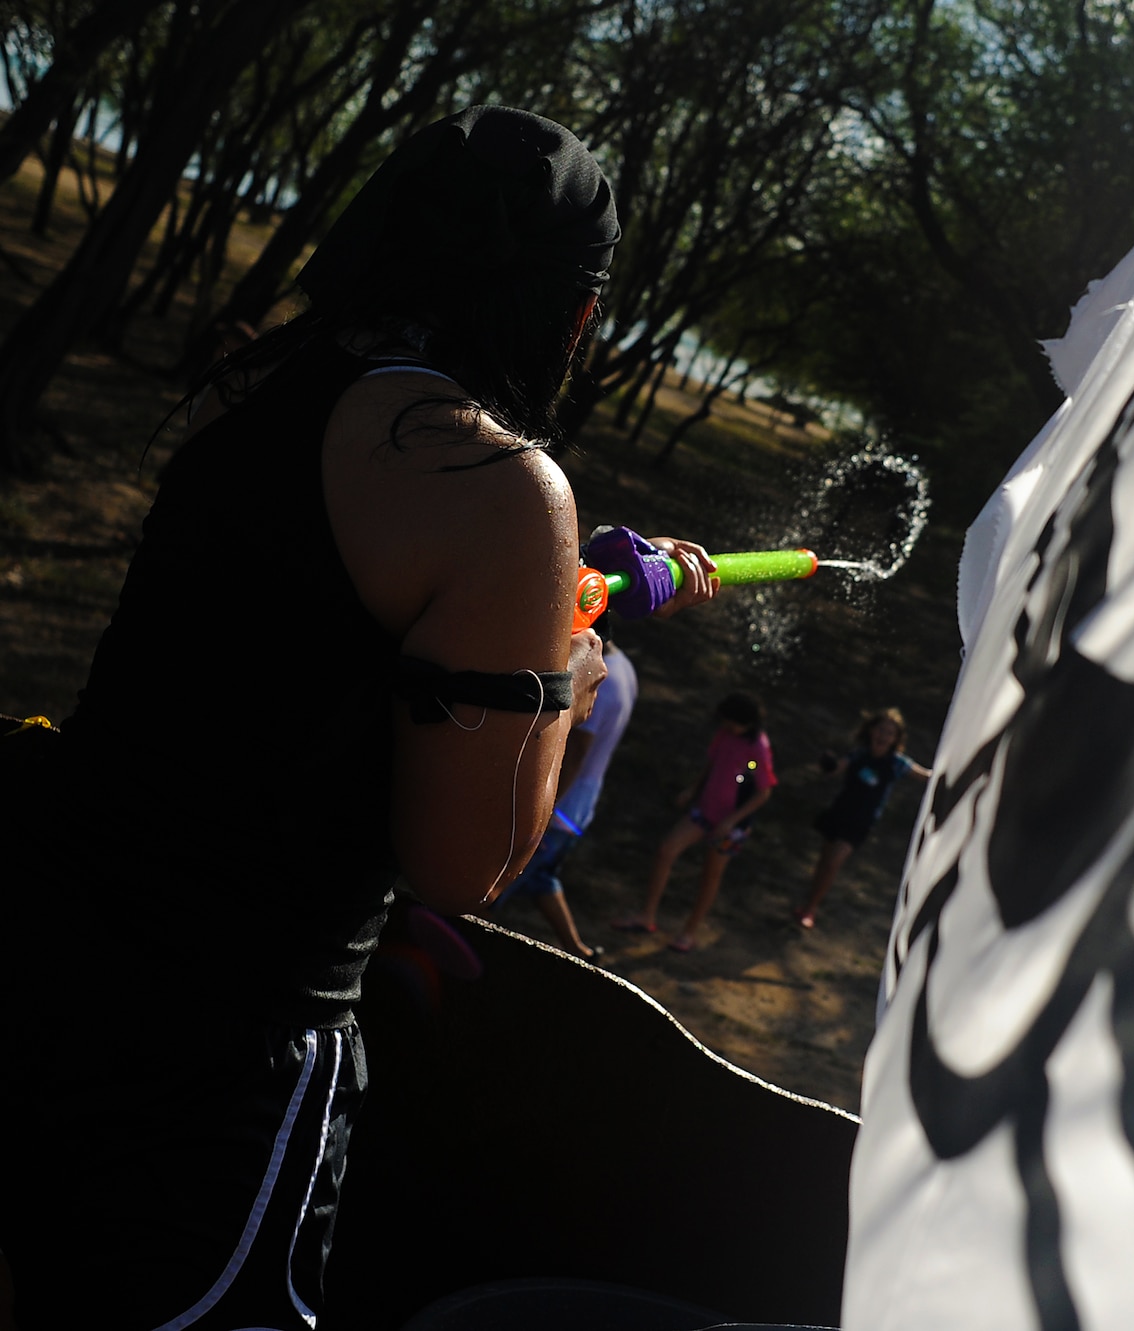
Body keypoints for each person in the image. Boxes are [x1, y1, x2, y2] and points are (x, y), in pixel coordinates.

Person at [0, 106, 718, 1329]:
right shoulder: (494, 487)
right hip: (208, 1075)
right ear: (576, 310)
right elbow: (471, 859)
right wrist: (574, 675)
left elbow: (240, 717)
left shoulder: (257, 411)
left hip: (45, 967)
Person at [490, 632, 640, 961]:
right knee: (542, 878)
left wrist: (545, 810)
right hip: (583, 802)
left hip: (564, 806)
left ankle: (467, 943)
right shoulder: (624, 668)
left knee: (497, 882)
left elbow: (576, 754)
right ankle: (579, 950)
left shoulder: (601, 676)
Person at [615, 692, 776, 952]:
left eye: (730, 722)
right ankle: (647, 916)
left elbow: (763, 792)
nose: (725, 726)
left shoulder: (757, 747)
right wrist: (693, 789)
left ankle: (689, 932)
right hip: (705, 811)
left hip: (731, 825)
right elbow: (713, 763)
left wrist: (733, 821)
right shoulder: (725, 735)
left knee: (710, 876)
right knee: (666, 850)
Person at [793, 708, 932, 929]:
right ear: (870, 730)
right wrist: (827, 764)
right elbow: (836, 769)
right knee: (823, 861)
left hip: (861, 822)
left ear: (896, 739)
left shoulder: (897, 763)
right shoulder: (859, 754)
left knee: (833, 863)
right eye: (880, 730)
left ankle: (811, 909)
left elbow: (926, 776)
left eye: (889, 733)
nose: (883, 736)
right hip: (839, 812)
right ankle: (807, 902)